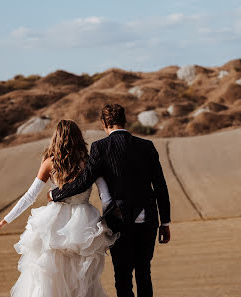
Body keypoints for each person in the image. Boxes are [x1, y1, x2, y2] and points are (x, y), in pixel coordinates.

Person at [0, 120, 118, 297]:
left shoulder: (50, 163)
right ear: (79, 138)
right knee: (82, 279)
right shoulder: (90, 163)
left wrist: (3, 221)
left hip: (54, 223)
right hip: (84, 224)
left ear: (57, 138)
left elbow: (29, 196)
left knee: (49, 276)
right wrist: (111, 223)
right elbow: (106, 196)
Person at [49, 104, 171, 297]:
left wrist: (55, 194)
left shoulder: (100, 147)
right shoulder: (147, 146)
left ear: (104, 123)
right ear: (125, 120)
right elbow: (161, 186)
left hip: (118, 220)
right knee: (144, 273)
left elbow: (84, 181)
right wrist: (165, 222)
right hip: (147, 219)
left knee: (122, 277)